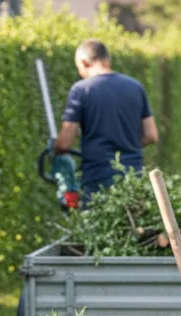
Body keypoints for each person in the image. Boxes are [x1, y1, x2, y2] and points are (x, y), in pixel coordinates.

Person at [55, 39, 159, 197]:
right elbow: (151, 135)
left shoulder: (81, 90)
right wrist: (126, 144)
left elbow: (65, 142)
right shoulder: (136, 87)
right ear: (107, 59)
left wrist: (56, 148)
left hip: (98, 177)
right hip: (133, 175)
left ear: (84, 62)